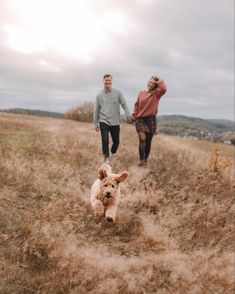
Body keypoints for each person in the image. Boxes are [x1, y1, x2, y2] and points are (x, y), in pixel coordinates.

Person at [94, 74, 131, 162]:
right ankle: (106, 158)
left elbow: (124, 104)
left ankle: (112, 152)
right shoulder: (99, 95)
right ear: (103, 81)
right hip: (103, 120)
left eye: (109, 80)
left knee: (116, 142)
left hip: (115, 121)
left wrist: (128, 114)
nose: (108, 82)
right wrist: (95, 123)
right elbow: (96, 110)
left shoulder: (118, 93)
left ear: (111, 81)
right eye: (106, 80)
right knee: (105, 140)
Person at [132, 75, 167, 166]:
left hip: (151, 120)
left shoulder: (157, 94)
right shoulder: (141, 93)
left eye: (153, 84)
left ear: (155, 86)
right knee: (142, 139)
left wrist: (159, 80)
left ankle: (146, 160)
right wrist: (134, 116)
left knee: (148, 142)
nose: (150, 84)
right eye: (150, 82)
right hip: (140, 119)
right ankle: (141, 160)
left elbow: (163, 88)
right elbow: (137, 105)